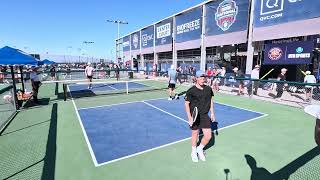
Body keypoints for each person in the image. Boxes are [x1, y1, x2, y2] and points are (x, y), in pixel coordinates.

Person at [185, 70, 216, 162]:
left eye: (204, 77)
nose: (203, 79)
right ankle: (193, 151)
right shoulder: (191, 91)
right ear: (196, 79)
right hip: (195, 116)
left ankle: (200, 148)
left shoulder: (208, 89)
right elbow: (186, 104)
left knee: (208, 136)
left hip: (205, 115)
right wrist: (190, 118)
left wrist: (212, 113)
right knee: (195, 134)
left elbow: (210, 101)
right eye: (201, 78)